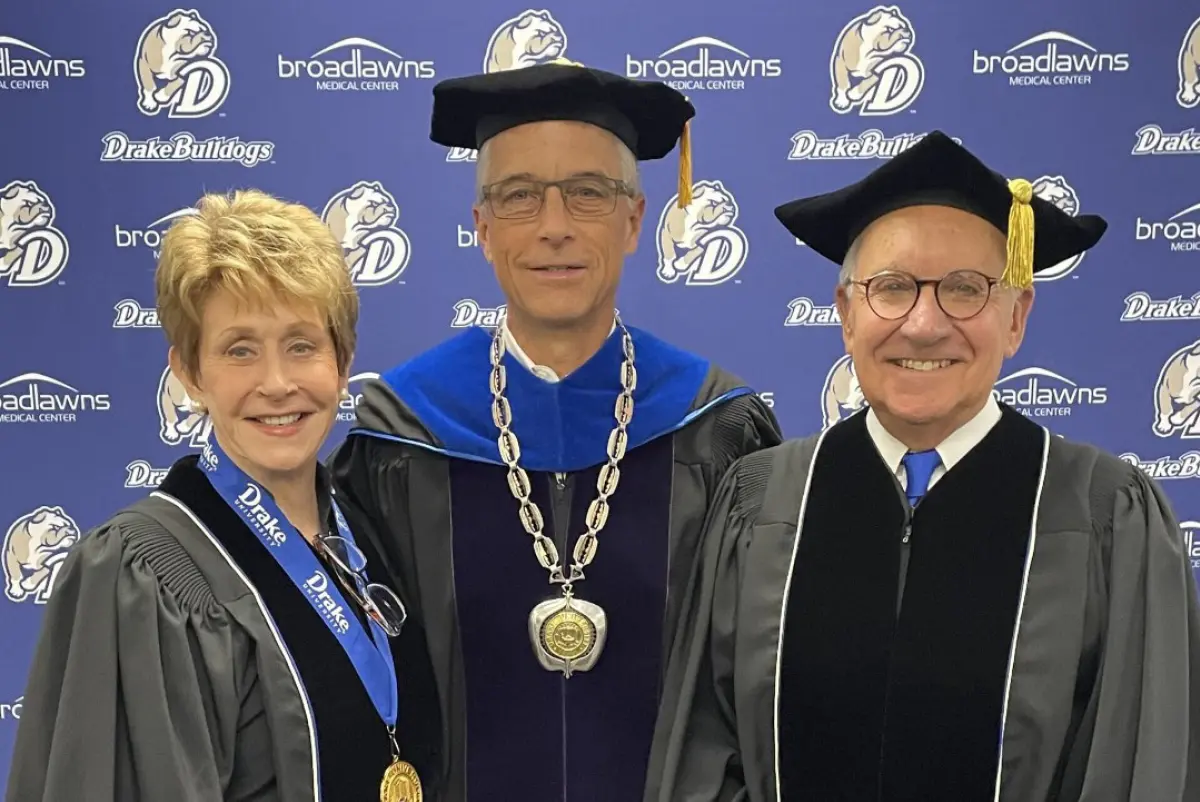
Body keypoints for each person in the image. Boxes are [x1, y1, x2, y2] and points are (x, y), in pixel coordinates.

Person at [645, 131, 1200, 802]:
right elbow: (707, 757)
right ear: (847, 314)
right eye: (892, 288)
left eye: (966, 290)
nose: (924, 324)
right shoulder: (760, 503)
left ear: (1017, 317)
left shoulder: (1105, 514)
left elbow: (1132, 765)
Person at [328, 60, 782, 801]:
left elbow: (758, 687)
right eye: (518, 197)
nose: (554, 226)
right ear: (481, 227)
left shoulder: (718, 429)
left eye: (588, 194)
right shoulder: (401, 433)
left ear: (635, 221)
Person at [5, 190, 420, 802]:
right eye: (240, 350)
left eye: (302, 344)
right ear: (191, 373)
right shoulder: (144, 574)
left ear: (343, 361)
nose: (277, 384)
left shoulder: (372, 539)